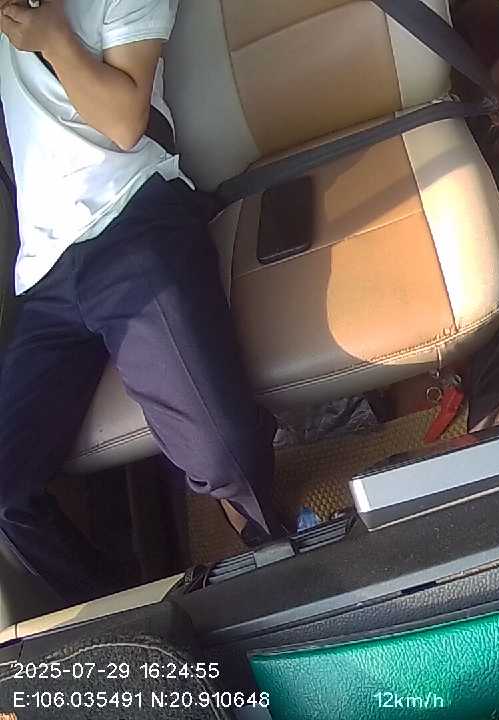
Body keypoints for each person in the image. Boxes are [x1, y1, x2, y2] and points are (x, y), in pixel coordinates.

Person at [0, 0, 282, 605]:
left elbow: (126, 122)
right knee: (5, 493)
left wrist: (55, 39)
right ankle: (134, 613)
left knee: (222, 455)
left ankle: (274, 548)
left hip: (133, 218)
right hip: (44, 272)